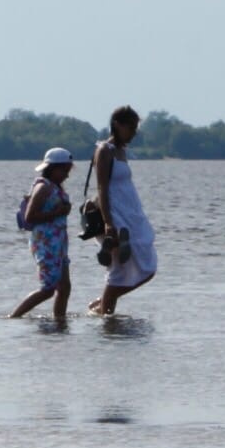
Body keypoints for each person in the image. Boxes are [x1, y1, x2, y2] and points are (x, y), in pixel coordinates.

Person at [88, 105, 157, 316]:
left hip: (131, 213)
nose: (134, 133)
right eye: (131, 128)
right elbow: (102, 187)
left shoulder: (121, 151)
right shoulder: (104, 150)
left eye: (136, 128)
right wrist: (109, 222)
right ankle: (106, 316)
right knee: (118, 267)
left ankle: (104, 304)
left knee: (147, 266)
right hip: (114, 214)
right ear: (117, 125)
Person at [11, 147, 76, 319]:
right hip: (46, 242)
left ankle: (60, 321)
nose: (67, 175)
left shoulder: (55, 187)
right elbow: (30, 216)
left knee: (64, 287)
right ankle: (14, 317)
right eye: (64, 171)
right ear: (53, 169)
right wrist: (58, 212)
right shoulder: (43, 187)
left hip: (58, 243)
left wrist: (64, 209)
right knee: (48, 289)